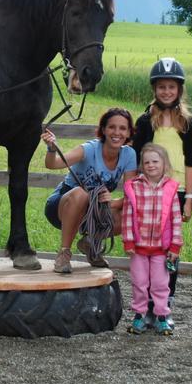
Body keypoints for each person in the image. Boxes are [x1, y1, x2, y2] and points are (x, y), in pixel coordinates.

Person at [130, 57, 192, 329]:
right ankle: (144, 304)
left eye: (171, 87)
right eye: (161, 87)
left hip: (176, 191)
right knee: (147, 248)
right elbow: (137, 160)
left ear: (179, 89)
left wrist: (190, 197)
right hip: (149, 192)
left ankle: (164, 304)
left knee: (170, 250)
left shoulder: (188, 123)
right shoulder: (146, 121)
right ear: (154, 89)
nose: (166, 92)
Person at [41, 108, 138, 274]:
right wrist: (51, 148)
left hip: (92, 211)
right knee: (81, 193)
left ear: (129, 132)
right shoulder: (89, 149)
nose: (117, 132)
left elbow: (131, 195)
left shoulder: (129, 155)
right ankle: (64, 253)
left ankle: (91, 243)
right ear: (103, 129)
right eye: (111, 127)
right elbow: (53, 164)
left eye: (122, 128)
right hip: (62, 206)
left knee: (129, 211)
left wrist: (112, 201)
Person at [120, 143, 183, 335]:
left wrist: (175, 245)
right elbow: (127, 215)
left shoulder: (171, 189)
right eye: (146, 162)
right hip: (138, 248)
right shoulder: (134, 187)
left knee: (160, 284)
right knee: (139, 282)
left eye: (155, 161)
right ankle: (139, 315)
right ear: (142, 165)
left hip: (160, 249)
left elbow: (176, 219)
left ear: (164, 164)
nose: (151, 165)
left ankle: (162, 316)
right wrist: (128, 240)